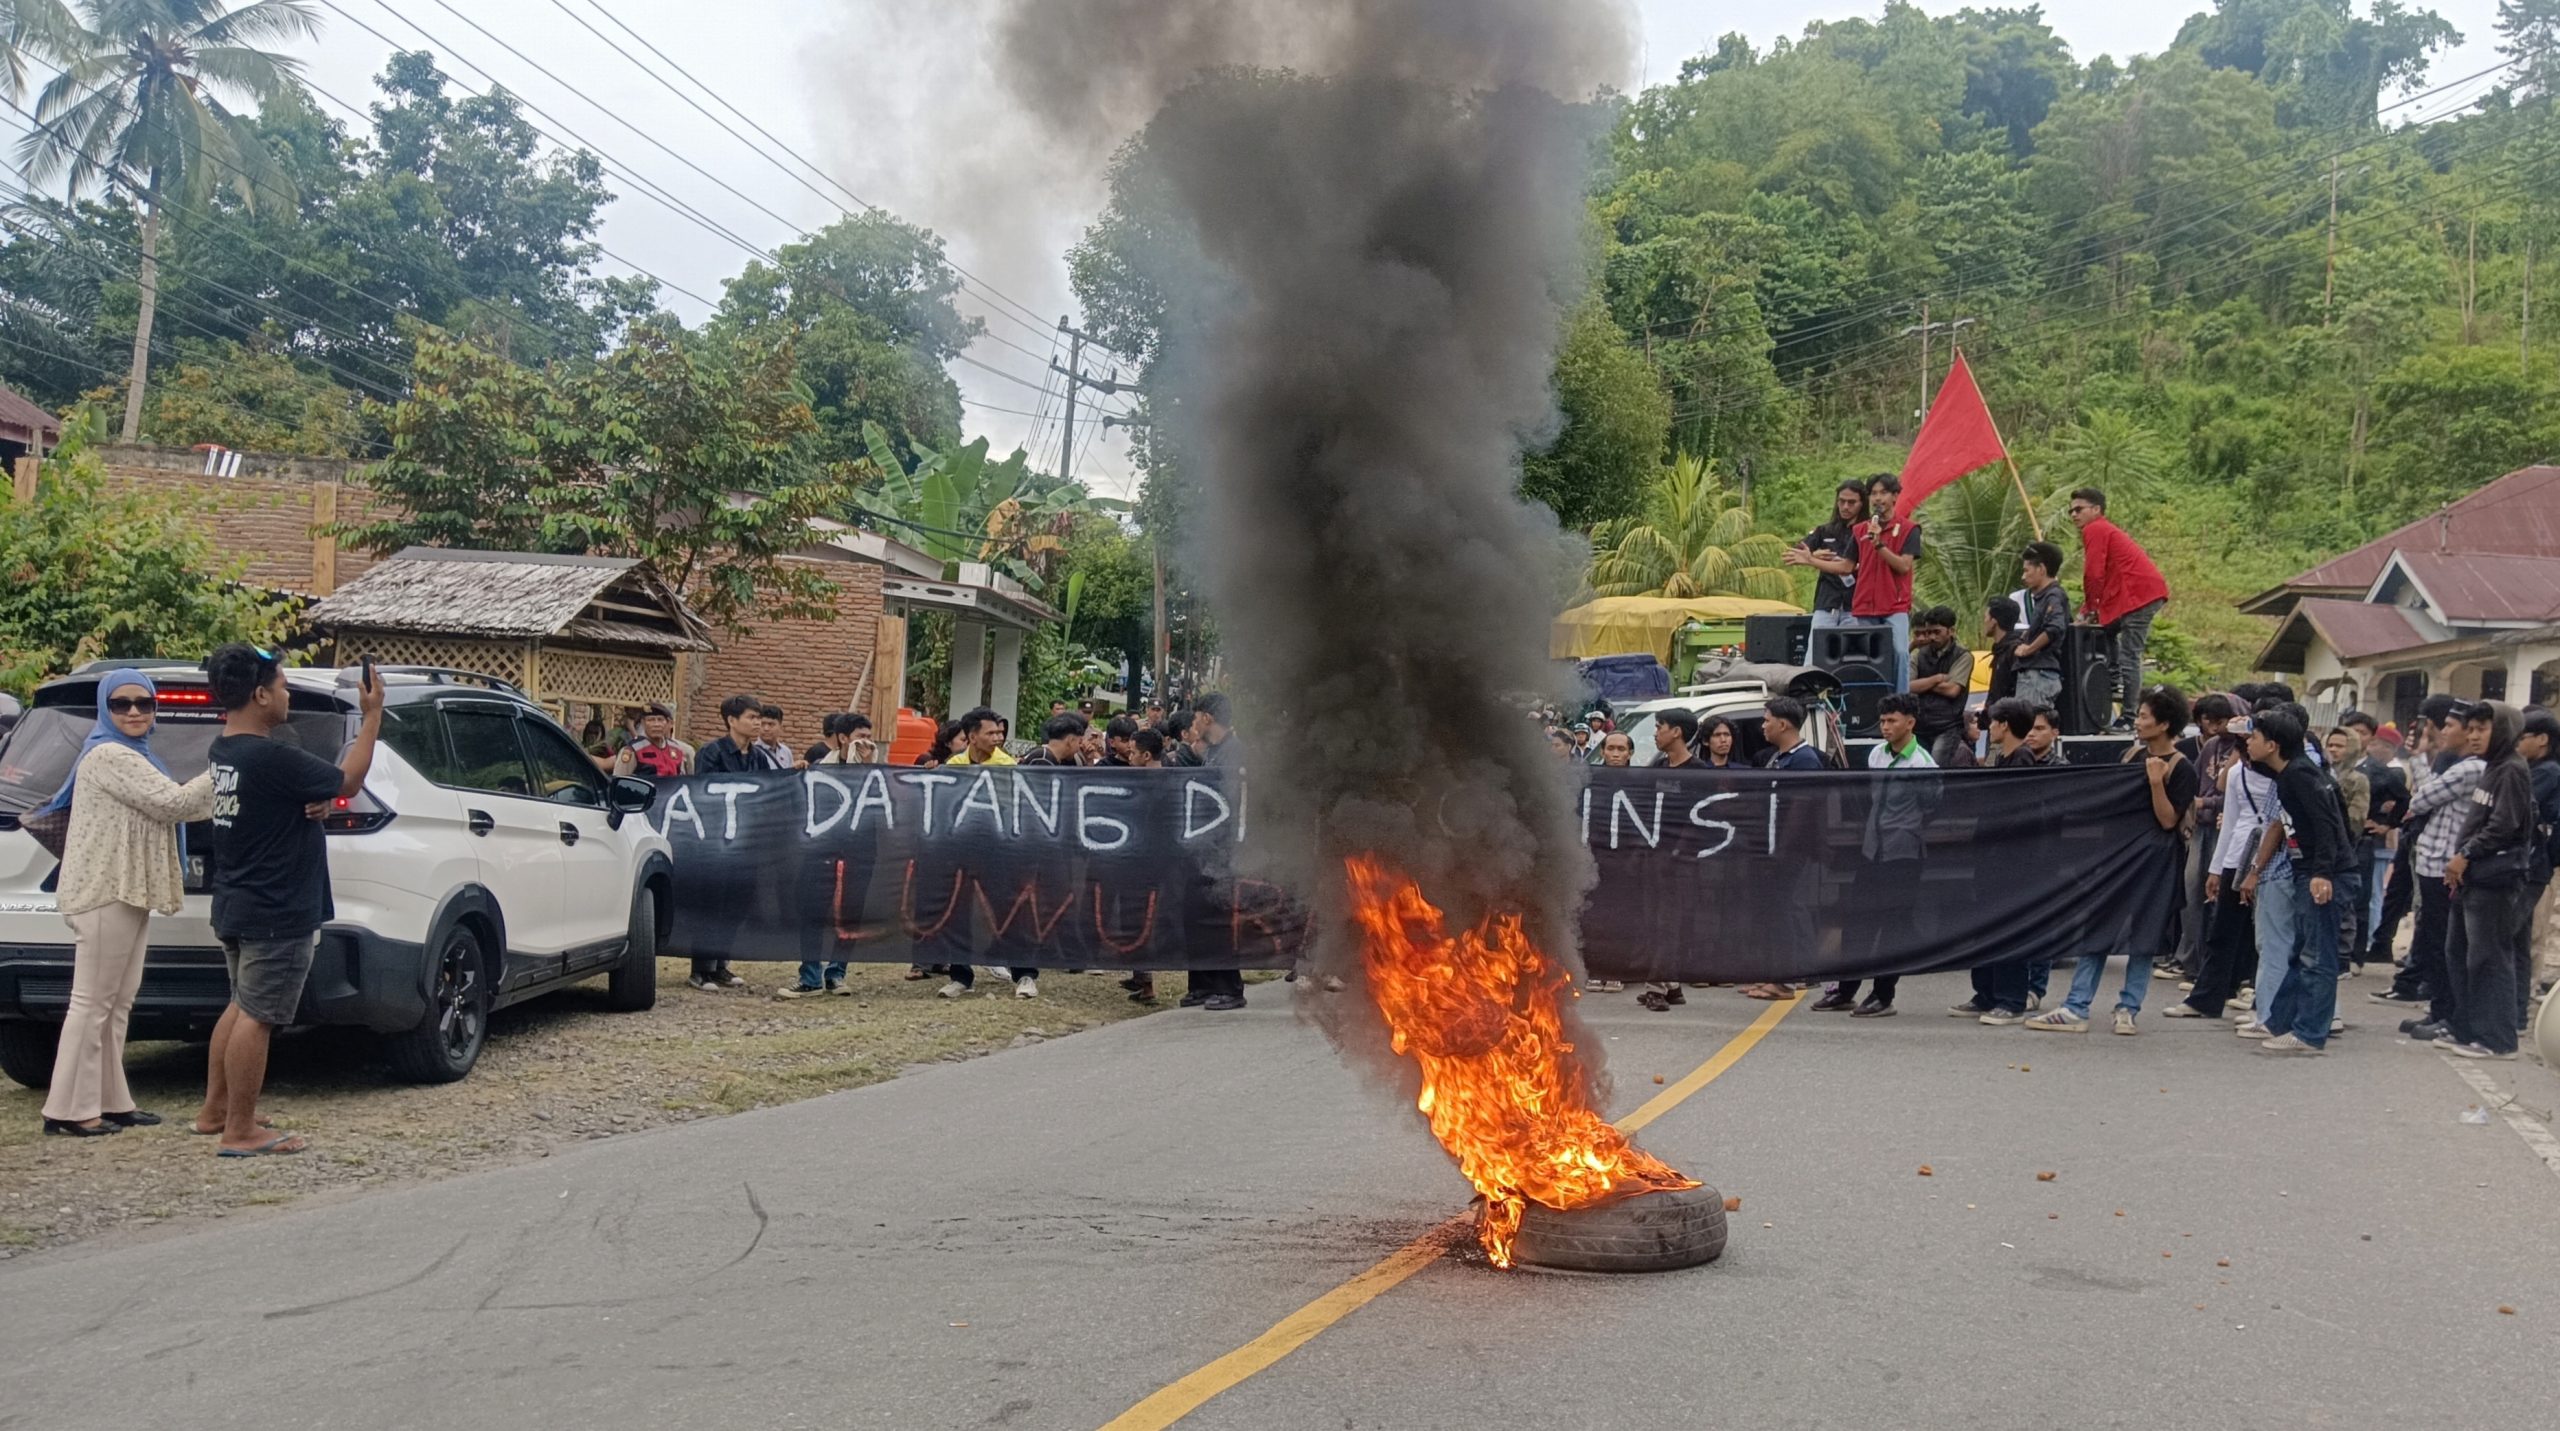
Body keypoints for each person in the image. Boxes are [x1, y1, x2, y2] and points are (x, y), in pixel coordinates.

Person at [197, 645, 383, 1155]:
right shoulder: (270, 754)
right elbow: (349, 780)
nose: (286, 693)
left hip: (237, 901)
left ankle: (216, 1111)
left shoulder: (226, 751)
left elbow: (280, 798)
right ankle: (241, 1130)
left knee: (240, 1006)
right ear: (259, 694)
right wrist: (372, 718)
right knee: (259, 1017)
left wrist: (311, 801)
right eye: (280, 685)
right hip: (277, 909)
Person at [36, 671, 217, 1137]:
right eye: (121, 704)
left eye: (144, 703)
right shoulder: (109, 754)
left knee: (117, 1002)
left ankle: (112, 1100)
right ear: (105, 709)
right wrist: (228, 765)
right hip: (104, 890)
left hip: (126, 889)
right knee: (93, 1001)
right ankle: (69, 1110)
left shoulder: (138, 755)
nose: (134, 711)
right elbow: (172, 804)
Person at [2031, 687, 2199, 1036]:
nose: (2137, 722)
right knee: (2098, 927)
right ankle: (2077, 1006)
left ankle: (2129, 1007)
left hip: (2157, 860)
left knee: (2143, 934)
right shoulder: (2130, 755)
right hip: (2120, 856)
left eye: (2144, 716)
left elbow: (2169, 821)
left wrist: (2155, 783)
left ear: (2165, 724)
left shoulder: (2182, 768)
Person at [2240, 709, 2354, 1056]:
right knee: (2298, 952)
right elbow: (2250, 761)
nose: (2248, 742)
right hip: (2308, 871)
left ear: (2273, 745)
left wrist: (2322, 873)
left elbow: (2328, 826)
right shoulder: (2288, 773)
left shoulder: (2303, 776)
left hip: (2325, 875)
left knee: (2317, 957)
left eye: (2254, 737)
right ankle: (2281, 1022)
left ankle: (2309, 1034)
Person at [1817, 693, 1936, 1018]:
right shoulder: (1876, 756)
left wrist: (1906, 829)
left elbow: (1932, 805)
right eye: (1883, 721)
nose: (1885, 727)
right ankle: (1846, 990)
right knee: (1857, 920)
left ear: (1910, 723)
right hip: (1872, 850)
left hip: (1904, 853)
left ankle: (1883, 995)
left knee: (1894, 925)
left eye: (1892, 721)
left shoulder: (1922, 763)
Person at [2381, 702, 2486, 1041]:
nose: (2443, 733)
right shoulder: (2453, 765)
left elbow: (2421, 799)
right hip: (2432, 860)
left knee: (2443, 944)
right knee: (2432, 940)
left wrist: (2419, 759)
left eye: (2450, 727)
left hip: (2444, 862)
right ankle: (2439, 1010)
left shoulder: (2470, 768)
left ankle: (2446, 1013)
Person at [2440, 702, 2535, 1059]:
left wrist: (2466, 854)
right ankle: (2467, 1029)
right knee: (2459, 953)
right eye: (2473, 729)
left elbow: (2504, 825)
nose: (2474, 735)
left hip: (2494, 877)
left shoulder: (2511, 769)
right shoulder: (2493, 767)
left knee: (2489, 958)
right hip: (2473, 877)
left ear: (2504, 730)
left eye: (2483, 729)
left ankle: (2497, 1039)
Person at [2370, 695, 2467, 998]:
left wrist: (2418, 757)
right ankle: (2413, 978)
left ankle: (2427, 987)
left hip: (2443, 854)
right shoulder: (2443, 757)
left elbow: (2424, 797)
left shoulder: (2460, 761)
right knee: (2419, 913)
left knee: (2432, 921)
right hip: (2423, 843)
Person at [1951, 699, 2040, 1025]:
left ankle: (2011, 999)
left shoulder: (2022, 760)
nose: (1990, 726)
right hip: (1992, 858)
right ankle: (1985, 992)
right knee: (1984, 927)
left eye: (1994, 721)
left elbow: (2018, 814)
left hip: (2012, 860)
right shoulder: (2002, 758)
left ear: (2005, 724)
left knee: (2009, 928)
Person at [2067, 487, 2171, 731]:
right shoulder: (2102, 529)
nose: (2074, 515)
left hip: (2139, 594)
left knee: (2129, 655)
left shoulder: (2095, 528)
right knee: (2106, 631)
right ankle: (2114, 679)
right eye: (2071, 511)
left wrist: (2089, 609)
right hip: (2132, 594)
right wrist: (2091, 608)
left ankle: (2129, 715)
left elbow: (2093, 573)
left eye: (2079, 509)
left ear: (2096, 510)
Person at [1183, 694, 1250, 1011]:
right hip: (1203, 850)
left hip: (1225, 852)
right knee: (1198, 914)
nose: (1192, 723)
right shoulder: (1212, 752)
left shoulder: (1236, 753)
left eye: (1195, 716)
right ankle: (1202, 983)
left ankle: (1228, 986)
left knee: (1220, 916)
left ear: (1207, 718)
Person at [1847, 474, 1921, 690]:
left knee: (1899, 652)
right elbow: (1847, 565)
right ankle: (1871, 704)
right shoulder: (1860, 530)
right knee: (1866, 659)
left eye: (1883, 493)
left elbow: (1904, 566)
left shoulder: (1909, 529)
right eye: (1873, 494)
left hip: (1894, 606)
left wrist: (1879, 545)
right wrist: (1813, 559)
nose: (1877, 499)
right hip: (1864, 607)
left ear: (1895, 496)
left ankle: (1900, 701)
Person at [1784, 480, 1867, 630]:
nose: (1845, 507)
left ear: (1862, 503)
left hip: (1857, 605)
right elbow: (1794, 553)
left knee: (1854, 652)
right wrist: (1814, 556)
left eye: (1851, 502)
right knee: (1817, 650)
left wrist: (1811, 560)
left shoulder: (1867, 531)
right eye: (1841, 501)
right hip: (1827, 602)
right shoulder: (1825, 530)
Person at [2323, 727, 2373, 970]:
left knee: (2344, 904)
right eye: (2330, 744)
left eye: (2339, 745)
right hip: (2322, 849)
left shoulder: (2357, 780)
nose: (2333, 749)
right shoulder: (2321, 774)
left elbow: (2356, 818)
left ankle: (2343, 957)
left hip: (2344, 850)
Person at [1906, 605, 1973, 766]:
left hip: (1947, 727)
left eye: (1937, 632)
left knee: (1936, 772)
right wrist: (1936, 679)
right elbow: (1908, 686)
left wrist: (1922, 682)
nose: (1931, 637)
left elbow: (1952, 690)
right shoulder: (1919, 655)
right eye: (1929, 632)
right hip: (1919, 726)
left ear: (1951, 631)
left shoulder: (1963, 656)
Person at [2014, 543, 2070, 711]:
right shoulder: (2044, 597)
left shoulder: (2053, 595)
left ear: (2041, 569)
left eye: (2026, 570)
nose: (2023, 577)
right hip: (2036, 674)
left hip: (2038, 674)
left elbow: (2055, 627)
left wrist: (2028, 649)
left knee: (2031, 728)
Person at [611, 703, 693, 778]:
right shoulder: (633, 750)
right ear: (643, 723)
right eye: (651, 720)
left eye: (660, 720)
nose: (656, 724)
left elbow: (682, 780)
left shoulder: (676, 749)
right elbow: (619, 781)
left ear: (669, 723)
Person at [1982, 596, 2022, 705]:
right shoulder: (2000, 650)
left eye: (1985, 617)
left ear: (1994, 622)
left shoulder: (2014, 651)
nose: (1984, 622)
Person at [944, 708, 1016, 767]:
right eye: (990, 733)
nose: (996, 739)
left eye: (996, 733)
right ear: (972, 738)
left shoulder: (1007, 766)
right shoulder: (955, 764)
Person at [1019, 713, 1083, 765]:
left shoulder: (1045, 755)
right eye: (1079, 742)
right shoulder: (1043, 759)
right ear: (1070, 741)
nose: (1080, 747)